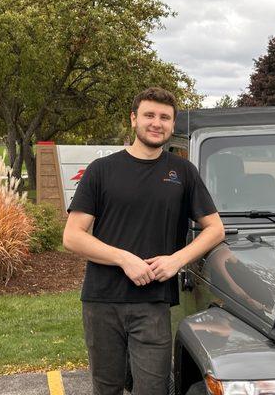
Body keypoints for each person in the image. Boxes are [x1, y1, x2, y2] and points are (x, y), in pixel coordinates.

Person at [62, 87, 225, 395]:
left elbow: (215, 229)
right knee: (107, 387)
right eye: (149, 115)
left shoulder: (182, 172)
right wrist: (125, 259)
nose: (156, 123)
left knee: (153, 389)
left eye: (165, 117)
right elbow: (72, 236)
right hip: (102, 302)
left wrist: (177, 260)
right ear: (134, 119)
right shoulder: (102, 170)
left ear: (172, 125)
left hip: (153, 303)